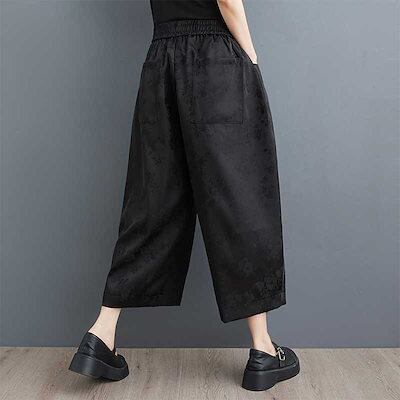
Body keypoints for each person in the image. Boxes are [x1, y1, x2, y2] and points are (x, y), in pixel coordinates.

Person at [69, 0, 299, 391]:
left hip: (161, 60)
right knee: (240, 198)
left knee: (152, 200)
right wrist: (250, 56)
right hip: (216, 59)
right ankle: (262, 349)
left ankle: (101, 334)